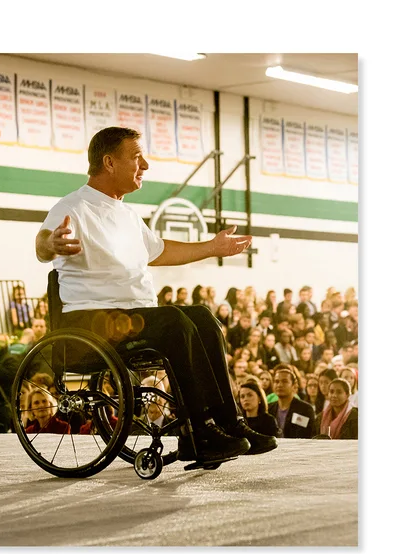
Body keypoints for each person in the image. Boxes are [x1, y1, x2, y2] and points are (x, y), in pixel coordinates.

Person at [34, 126, 276, 462]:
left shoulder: (127, 214)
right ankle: (198, 432)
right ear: (109, 162)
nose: (144, 165)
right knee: (173, 321)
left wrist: (212, 247)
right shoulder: (73, 207)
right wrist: (51, 244)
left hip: (133, 318)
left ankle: (227, 422)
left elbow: (159, 251)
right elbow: (44, 243)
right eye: (136, 157)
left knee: (203, 318)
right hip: (92, 321)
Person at [268, 364, 317, 438]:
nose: (279, 385)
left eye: (284, 381)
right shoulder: (269, 409)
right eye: (276, 381)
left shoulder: (305, 409)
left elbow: (307, 435)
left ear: (294, 386)